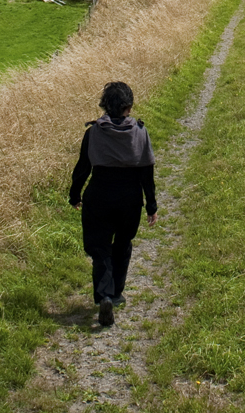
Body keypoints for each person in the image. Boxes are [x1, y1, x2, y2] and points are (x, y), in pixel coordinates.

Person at [70, 81, 157, 327]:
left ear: (105, 105)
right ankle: (116, 292)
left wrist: (75, 195)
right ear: (128, 107)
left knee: (99, 249)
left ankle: (104, 295)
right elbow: (146, 173)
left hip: (99, 195)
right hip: (129, 198)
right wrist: (151, 206)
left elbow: (83, 169)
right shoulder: (140, 132)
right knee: (122, 243)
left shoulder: (94, 132)